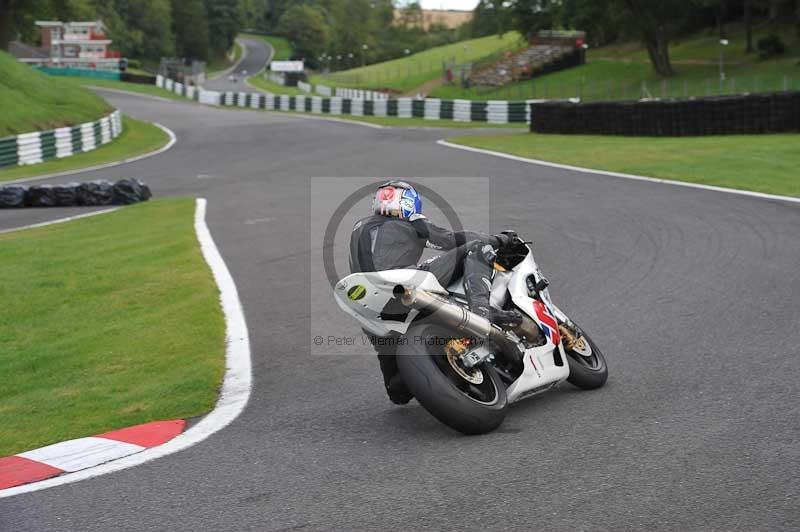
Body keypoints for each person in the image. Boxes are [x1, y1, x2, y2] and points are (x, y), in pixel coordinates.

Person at [349, 180, 522, 404]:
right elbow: (452, 240)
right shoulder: (411, 222)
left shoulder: (359, 227)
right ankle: (481, 310)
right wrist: (501, 240)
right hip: (401, 282)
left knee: (398, 391)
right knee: (477, 248)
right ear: (410, 203)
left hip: (371, 302)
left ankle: (419, 373)